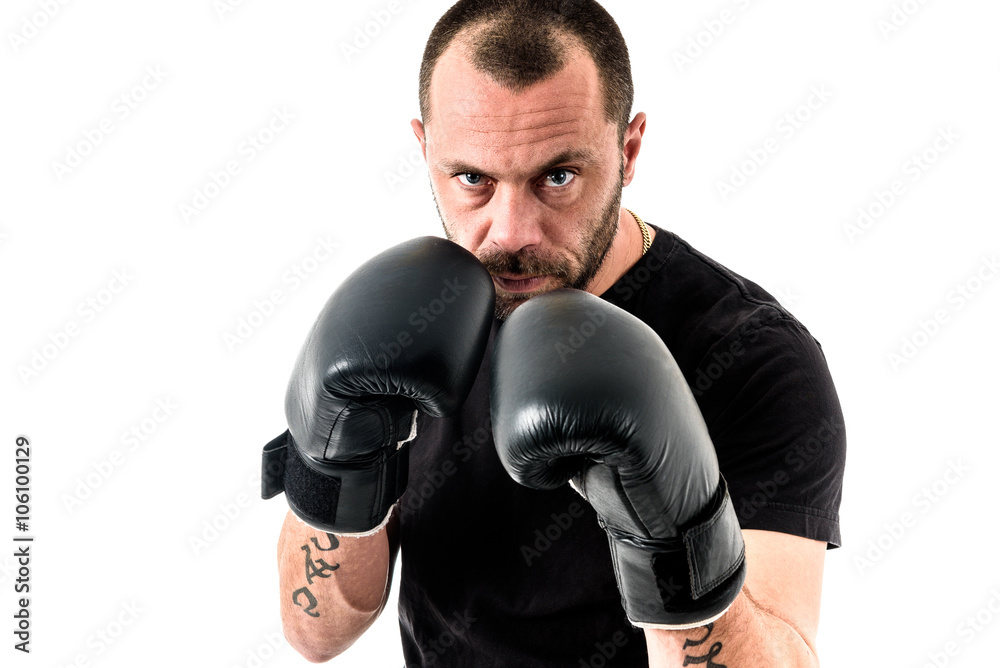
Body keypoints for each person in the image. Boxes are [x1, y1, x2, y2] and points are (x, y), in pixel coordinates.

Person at [262, 1, 846, 666]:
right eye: (473, 180)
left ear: (628, 149)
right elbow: (314, 633)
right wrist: (337, 459)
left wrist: (675, 543)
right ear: (425, 149)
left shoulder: (752, 358)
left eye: (558, 177)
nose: (511, 233)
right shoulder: (401, 326)